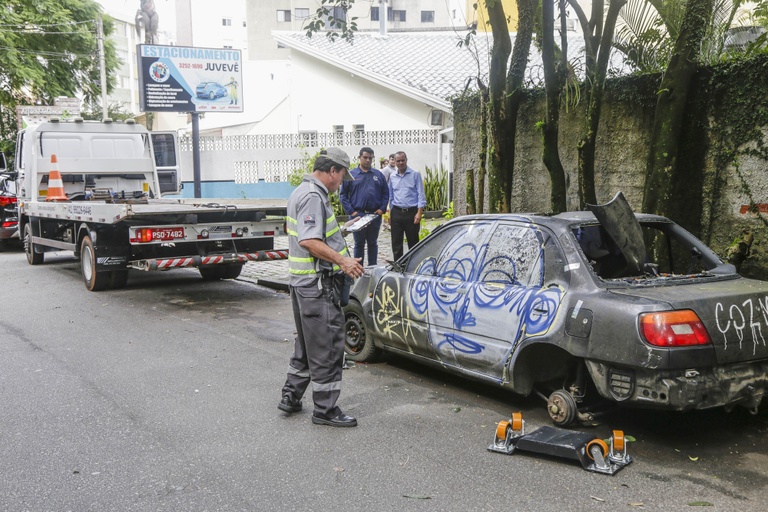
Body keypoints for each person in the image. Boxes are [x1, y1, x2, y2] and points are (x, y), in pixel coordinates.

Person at [278, 148, 364, 428]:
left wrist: (341, 233)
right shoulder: (314, 196)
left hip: (302, 284)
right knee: (327, 346)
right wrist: (343, 261)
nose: (341, 183)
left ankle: (291, 397)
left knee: (306, 345)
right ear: (332, 171)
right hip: (317, 285)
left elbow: (312, 234)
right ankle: (325, 410)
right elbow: (309, 241)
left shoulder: (300, 192)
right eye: (341, 177)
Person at [340, 147, 389, 266]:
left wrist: (382, 209)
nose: (367, 160)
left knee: (373, 242)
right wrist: (352, 212)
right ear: (359, 158)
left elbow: (385, 193)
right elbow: (343, 195)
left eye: (370, 158)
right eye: (365, 157)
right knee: (359, 243)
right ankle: (359, 268)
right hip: (358, 215)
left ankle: (372, 267)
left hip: (374, 215)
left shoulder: (378, 175)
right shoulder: (351, 175)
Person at [388, 151, 426, 261]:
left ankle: (413, 265)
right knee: (396, 243)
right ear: (394, 162)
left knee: (413, 242)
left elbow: (421, 194)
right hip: (396, 212)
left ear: (406, 160)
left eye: (402, 160)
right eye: (398, 161)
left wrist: (419, 213)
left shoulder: (415, 174)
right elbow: (391, 196)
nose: (400, 163)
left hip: (411, 213)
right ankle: (399, 265)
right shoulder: (392, 176)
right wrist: (391, 214)